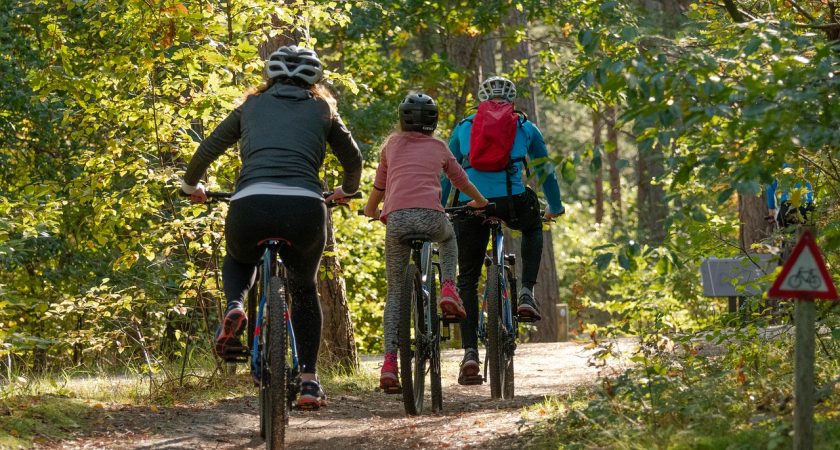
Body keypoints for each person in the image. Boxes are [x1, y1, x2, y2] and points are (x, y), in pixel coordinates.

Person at [180, 45, 362, 410]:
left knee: (239, 257)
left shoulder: (250, 106)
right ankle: (309, 380)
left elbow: (208, 148)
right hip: (305, 206)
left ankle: (235, 305)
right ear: (315, 80)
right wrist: (348, 190)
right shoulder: (323, 109)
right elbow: (353, 158)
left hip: (251, 202)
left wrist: (191, 186)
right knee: (305, 290)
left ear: (270, 75)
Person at [441, 76, 564, 385]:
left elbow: (447, 172)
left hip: (472, 205)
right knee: (533, 227)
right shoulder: (525, 127)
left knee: (467, 278)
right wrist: (555, 205)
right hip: (512, 202)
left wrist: (442, 205)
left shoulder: (464, 127)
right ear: (512, 100)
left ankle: (470, 353)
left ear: (481, 100)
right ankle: (525, 292)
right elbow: (544, 170)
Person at [363, 93, 488, 392]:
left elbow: (380, 185)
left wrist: (371, 210)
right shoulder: (440, 147)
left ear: (402, 119)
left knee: (395, 293)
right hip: (433, 219)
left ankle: (390, 364)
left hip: (397, 222)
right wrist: (480, 201)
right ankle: (448, 286)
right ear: (434, 122)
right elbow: (460, 180)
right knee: (449, 237)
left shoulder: (391, 146)